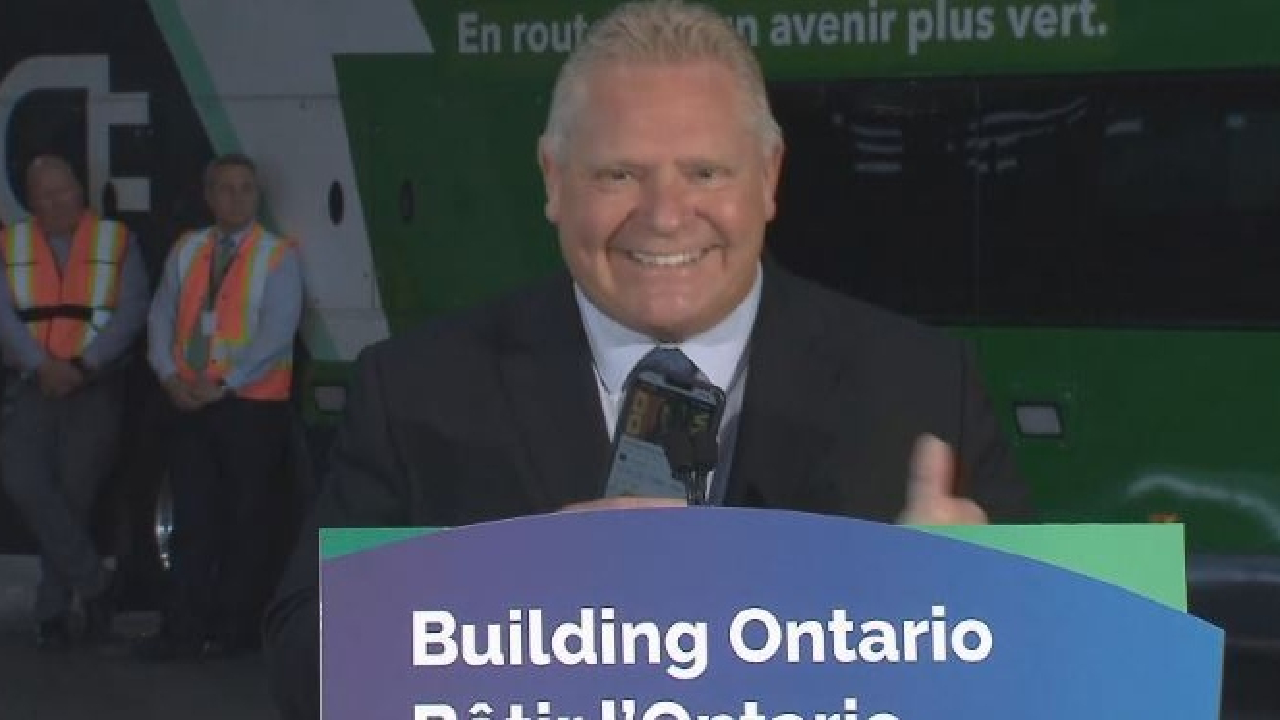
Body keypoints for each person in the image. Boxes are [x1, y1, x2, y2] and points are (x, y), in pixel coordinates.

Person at [264, 1, 1032, 716]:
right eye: (619, 174)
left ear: (769, 177)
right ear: (553, 179)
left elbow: (1048, 660)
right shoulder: (414, 389)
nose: (665, 216)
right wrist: (494, 590)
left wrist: (977, 611)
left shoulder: (922, 386)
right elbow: (303, 664)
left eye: (705, 172)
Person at [137, 152, 303, 660]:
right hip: (190, 402)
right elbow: (161, 316)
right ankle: (182, 629)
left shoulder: (277, 255)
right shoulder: (187, 249)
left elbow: (277, 333)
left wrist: (225, 383)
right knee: (192, 517)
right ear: (209, 196)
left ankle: (236, 630)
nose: (237, 197)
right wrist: (168, 376)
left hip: (250, 407)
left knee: (246, 520)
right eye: (226, 188)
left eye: (246, 188)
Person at [0, 154, 149, 649]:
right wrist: (40, 365)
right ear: (31, 201)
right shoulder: (10, 243)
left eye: (64, 190)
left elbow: (131, 311)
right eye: (45, 195)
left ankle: (52, 614)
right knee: (20, 477)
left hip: (95, 384)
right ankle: (97, 584)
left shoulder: (117, 241)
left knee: (74, 495)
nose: (57, 201)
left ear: (80, 191)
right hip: (33, 382)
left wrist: (84, 366)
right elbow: (3, 316)